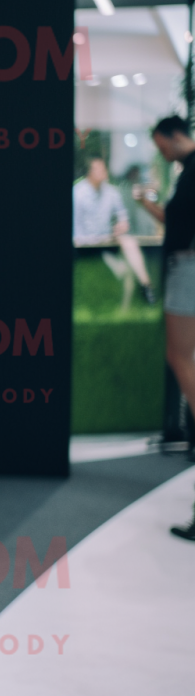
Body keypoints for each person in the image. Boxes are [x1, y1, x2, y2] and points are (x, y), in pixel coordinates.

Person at [136, 115, 195, 541]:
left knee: (180, 356)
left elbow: (181, 230)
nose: (162, 153)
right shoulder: (188, 173)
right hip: (186, 266)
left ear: (175, 136)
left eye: (161, 146)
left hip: (187, 269)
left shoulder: (192, 169)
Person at [74, 157, 156, 304]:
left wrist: (122, 225)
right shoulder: (77, 193)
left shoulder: (112, 192)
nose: (104, 172)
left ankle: (146, 286)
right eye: (99, 169)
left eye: (103, 169)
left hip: (106, 239)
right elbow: (75, 226)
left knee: (129, 241)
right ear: (90, 173)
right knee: (125, 265)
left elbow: (123, 217)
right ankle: (126, 284)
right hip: (85, 243)